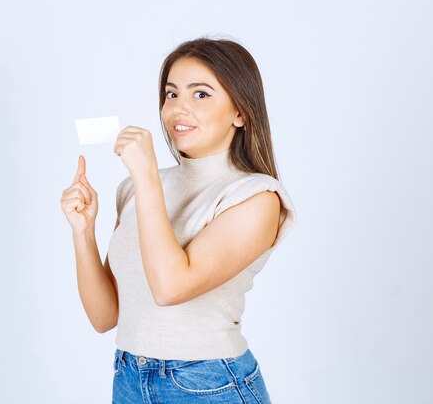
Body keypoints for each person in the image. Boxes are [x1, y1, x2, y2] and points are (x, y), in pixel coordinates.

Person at [60, 37, 297, 403]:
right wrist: (83, 231)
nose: (178, 109)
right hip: (129, 378)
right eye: (171, 95)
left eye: (200, 94)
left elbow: (171, 287)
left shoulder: (257, 197)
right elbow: (104, 316)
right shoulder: (136, 187)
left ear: (240, 113)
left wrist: (147, 178)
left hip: (207, 383)